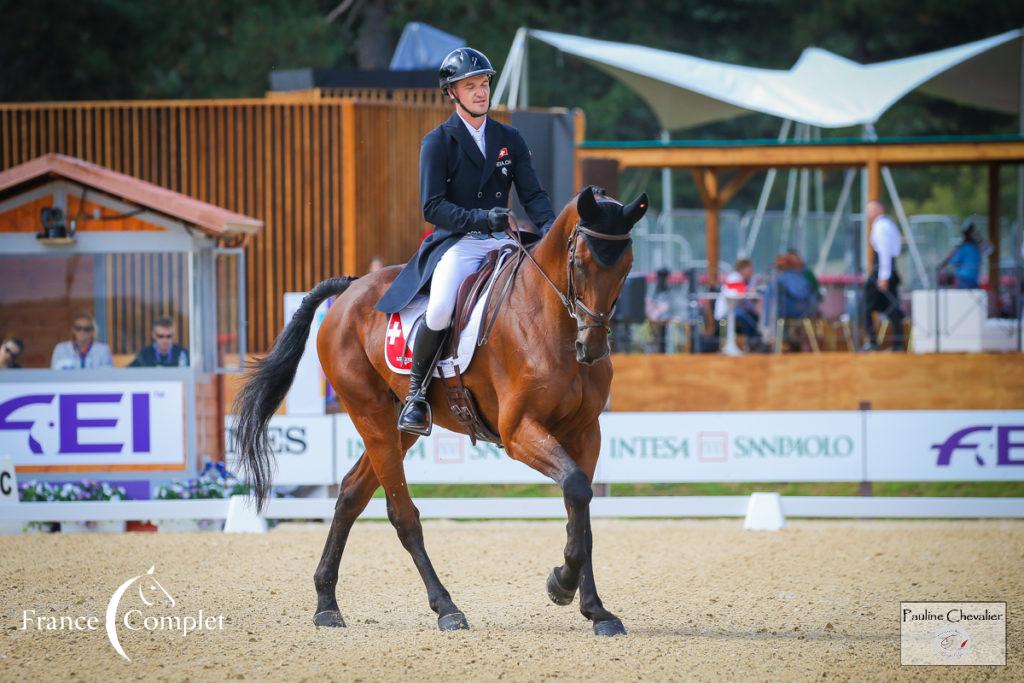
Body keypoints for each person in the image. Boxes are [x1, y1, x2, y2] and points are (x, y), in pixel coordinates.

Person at [375, 47, 555, 435]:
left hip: (504, 243)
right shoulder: (438, 142)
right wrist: (479, 217)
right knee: (439, 309)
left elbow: (534, 196)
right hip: (459, 243)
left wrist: (552, 232)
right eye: (470, 86)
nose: (480, 92)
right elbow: (432, 205)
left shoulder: (510, 137)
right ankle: (417, 395)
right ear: (452, 93)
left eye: (484, 84)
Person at [863, 200, 906, 351]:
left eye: (871, 210)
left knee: (866, 306)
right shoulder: (888, 224)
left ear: (879, 210)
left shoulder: (881, 227)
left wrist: (883, 276)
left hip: (882, 272)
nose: (868, 213)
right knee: (892, 308)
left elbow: (885, 252)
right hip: (888, 271)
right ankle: (898, 343)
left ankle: (872, 342)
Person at [715, 258, 762, 345]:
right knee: (744, 315)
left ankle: (752, 340)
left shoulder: (740, 278)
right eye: (749, 270)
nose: (751, 272)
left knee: (748, 314)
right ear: (742, 269)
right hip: (726, 312)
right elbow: (739, 293)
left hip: (731, 309)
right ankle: (753, 339)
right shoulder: (735, 277)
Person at [940, 222, 983, 289]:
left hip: (963, 279)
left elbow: (954, 262)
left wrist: (950, 257)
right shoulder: (976, 247)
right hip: (974, 278)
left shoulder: (964, 248)